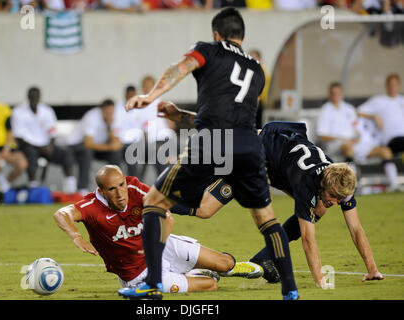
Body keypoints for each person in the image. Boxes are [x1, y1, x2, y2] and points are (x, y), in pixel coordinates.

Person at [119, 7, 299, 300]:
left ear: (216, 34)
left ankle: (152, 283)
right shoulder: (256, 70)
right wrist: (179, 116)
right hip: (249, 146)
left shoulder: (208, 50)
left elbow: (181, 67)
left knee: (153, 203)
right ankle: (290, 290)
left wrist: (151, 97)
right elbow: (230, 115)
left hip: (212, 141)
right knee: (268, 221)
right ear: (242, 35)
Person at [160, 114, 384, 286]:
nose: (336, 201)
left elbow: (356, 229)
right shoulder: (308, 182)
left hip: (273, 156)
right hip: (250, 159)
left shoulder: (341, 181)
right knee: (204, 209)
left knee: (318, 210)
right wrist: (320, 281)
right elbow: (308, 241)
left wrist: (372, 269)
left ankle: (262, 260)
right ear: (323, 183)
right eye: (333, 196)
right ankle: (155, 203)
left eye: (339, 198)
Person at [53, 165, 262, 296]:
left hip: (162, 246)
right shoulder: (90, 206)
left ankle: (231, 267)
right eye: (112, 189)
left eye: (121, 185)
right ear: (101, 191)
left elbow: (166, 215)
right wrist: (76, 235)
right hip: (137, 275)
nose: (120, 193)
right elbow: (61, 214)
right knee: (210, 285)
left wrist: (157, 244)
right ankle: (194, 272)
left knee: (225, 263)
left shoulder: (135, 188)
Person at [12, 87, 77, 193]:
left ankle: (71, 187)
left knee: (66, 154)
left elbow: (52, 133)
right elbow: (19, 138)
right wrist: (40, 147)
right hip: (28, 146)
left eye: (36, 96)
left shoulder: (47, 110)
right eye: (32, 96)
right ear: (28, 97)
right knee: (31, 155)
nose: (34, 99)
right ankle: (33, 186)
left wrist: (50, 147)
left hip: (46, 146)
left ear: (40, 97)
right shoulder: (18, 111)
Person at [67, 99, 123, 194]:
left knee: (116, 154)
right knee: (86, 152)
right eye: (107, 112)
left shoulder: (113, 118)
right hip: (76, 145)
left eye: (111, 112)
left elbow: (117, 143)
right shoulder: (92, 117)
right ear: (102, 110)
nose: (109, 114)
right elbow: (88, 143)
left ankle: (115, 186)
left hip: (98, 146)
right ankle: (82, 188)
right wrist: (110, 147)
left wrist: (109, 127)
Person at [357, 73, 404, 156]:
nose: (392, 87)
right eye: (390, 85)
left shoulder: (402, 100)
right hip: (391, 140)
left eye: (395, 85)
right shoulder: (379, 100)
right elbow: (357, 111)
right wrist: (374, 116)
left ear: (399, 86)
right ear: (386, 85)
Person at [316, 82, 358, 165]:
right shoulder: (325, 110)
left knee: (383, 151)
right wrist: (341, 139)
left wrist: (356, 140)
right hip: (333, 144)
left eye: (338, 93)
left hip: (351, 142)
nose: (336, 95)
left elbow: (356, 129)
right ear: (330, 94)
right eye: (333, 93)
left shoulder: (349, 109)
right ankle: (352, 174)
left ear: (342, 93)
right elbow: (322, 135)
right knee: (348, 149)